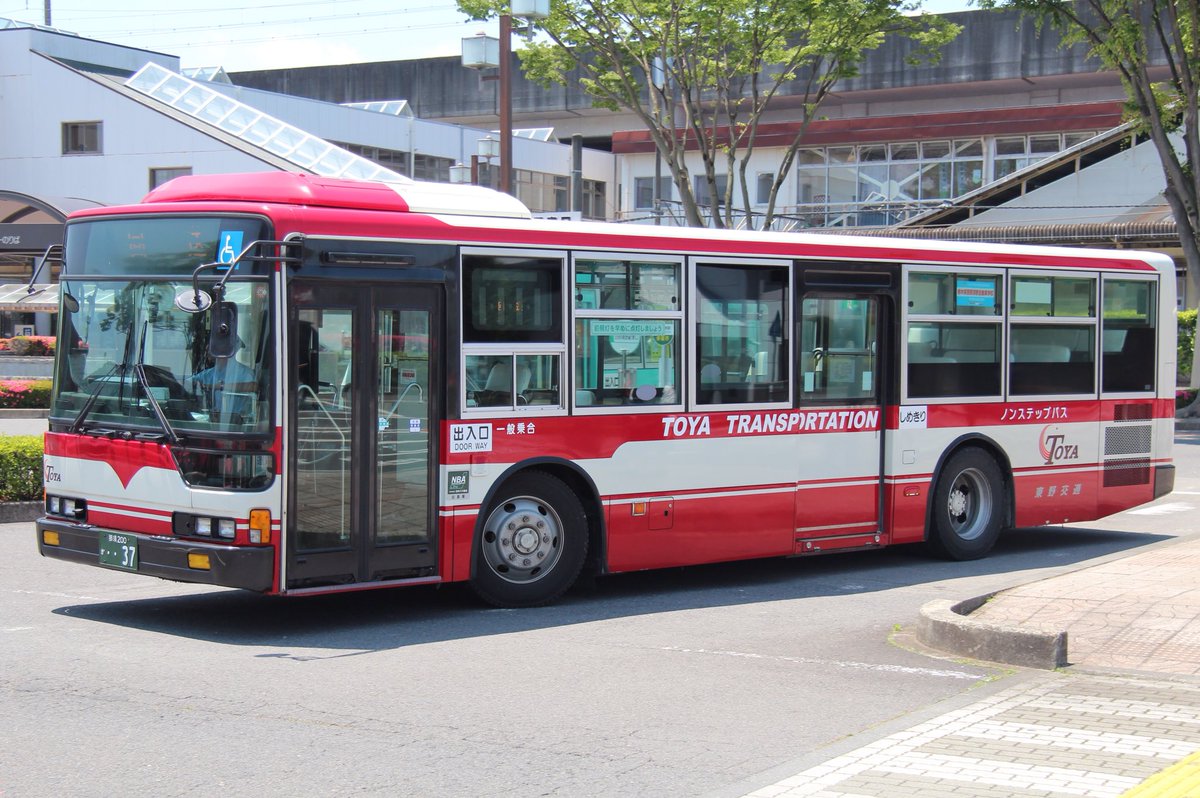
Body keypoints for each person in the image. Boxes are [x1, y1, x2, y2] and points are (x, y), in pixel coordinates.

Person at [191, 349, 258, 420]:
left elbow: (253, 387)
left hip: (238, 424)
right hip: (214, 421)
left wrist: (221, 386)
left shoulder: (244, 372)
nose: (208, 352)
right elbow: (189, 382)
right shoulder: (209, 373)